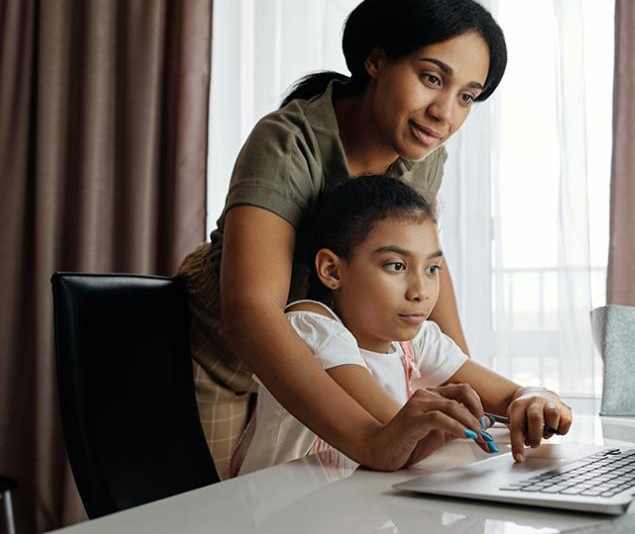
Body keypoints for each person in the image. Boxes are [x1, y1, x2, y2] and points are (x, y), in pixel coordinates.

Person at [176, 0, 558, 478]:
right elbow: (251, 313)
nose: (445, 113)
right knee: (218, 510)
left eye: (468, 96)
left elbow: (426, 270)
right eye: (432, 78)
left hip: (327, 349)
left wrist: (468, 393)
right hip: (226, 351)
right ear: (375, 61)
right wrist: (370, 441)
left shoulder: (424, 152)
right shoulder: (288, 141)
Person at [234, 176, 573, 475]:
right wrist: (462, 418)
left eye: (432, 268)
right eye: (396, 266)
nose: (421, 291)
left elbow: (509, 394)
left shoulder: (416, 341)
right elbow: (395, 432)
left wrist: (536, 399)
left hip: (358, 508)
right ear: (332, 270)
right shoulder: (310, 327)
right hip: (286, 513)